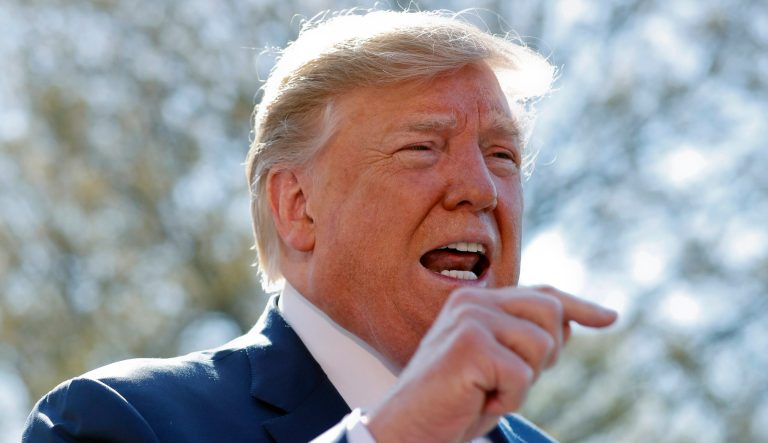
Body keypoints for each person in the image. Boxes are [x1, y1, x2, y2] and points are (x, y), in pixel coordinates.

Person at [23, 9, 618, 443]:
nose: (481, 189)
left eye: (502, 156)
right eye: (422, 147)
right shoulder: (118, 420)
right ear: (298, 206)